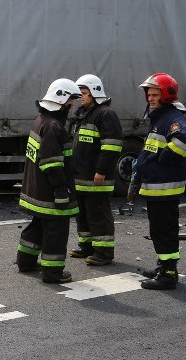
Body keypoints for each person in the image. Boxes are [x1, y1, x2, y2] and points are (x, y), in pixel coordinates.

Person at [129, 72, 186, 290]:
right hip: (157, 186)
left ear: (167, 95)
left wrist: (163, 158)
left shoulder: (172, 119)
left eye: (155, 94)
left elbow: (185, 144)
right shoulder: (160, 117)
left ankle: (168, 274)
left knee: (163, 230)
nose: (150, 98)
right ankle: (163, 265)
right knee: (160, 229)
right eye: (149, 94)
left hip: (164, 187)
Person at [15, 78, 82, 284]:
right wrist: (61, 190)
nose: (72, 105)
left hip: (36, 190)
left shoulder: (41, 120)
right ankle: (52, 273)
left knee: (37, 226)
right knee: (56, 231)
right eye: (71, 101)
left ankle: (25, 261)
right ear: (62, 100)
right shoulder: (54, 126)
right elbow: (51, 163)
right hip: (49, 193)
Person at [68, 74, 124, 266]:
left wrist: (101, 170)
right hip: (82, 177)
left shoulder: (105, 114)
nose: (80, 97)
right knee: (83, 214)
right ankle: (87, 247)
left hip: (96, 177)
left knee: (98, 214)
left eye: (83, 93)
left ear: (95, 93)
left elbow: (112, 146)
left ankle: (104, 252)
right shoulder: (83, 114)